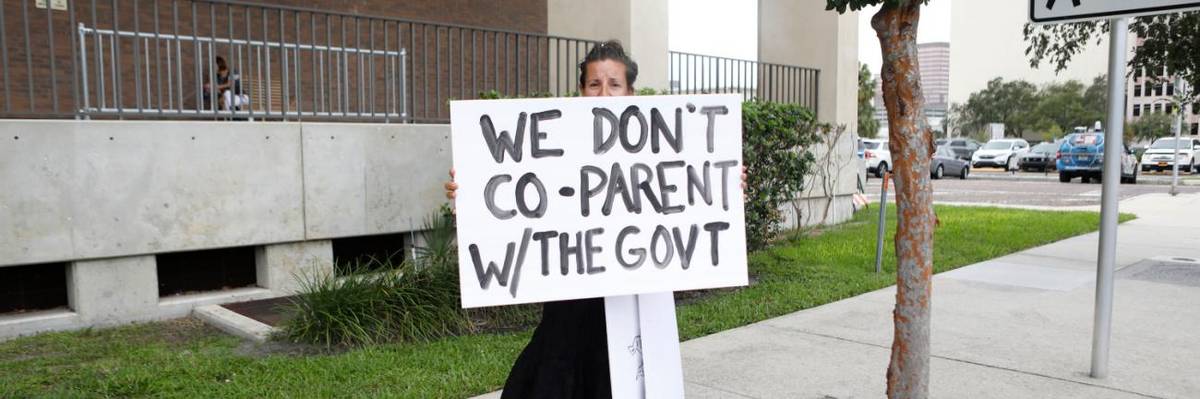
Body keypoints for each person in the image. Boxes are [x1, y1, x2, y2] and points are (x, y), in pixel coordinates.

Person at [445, 40, 746, 398]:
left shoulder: (658, 150)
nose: (604, 93)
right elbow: (516, 203)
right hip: (569, 307)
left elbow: (690, 199)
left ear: (631, 93)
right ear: (581, 91)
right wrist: (470, 196)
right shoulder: (557, 147)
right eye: (594, 84)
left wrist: (725, 187)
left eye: (614, 84)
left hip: (631, 304)